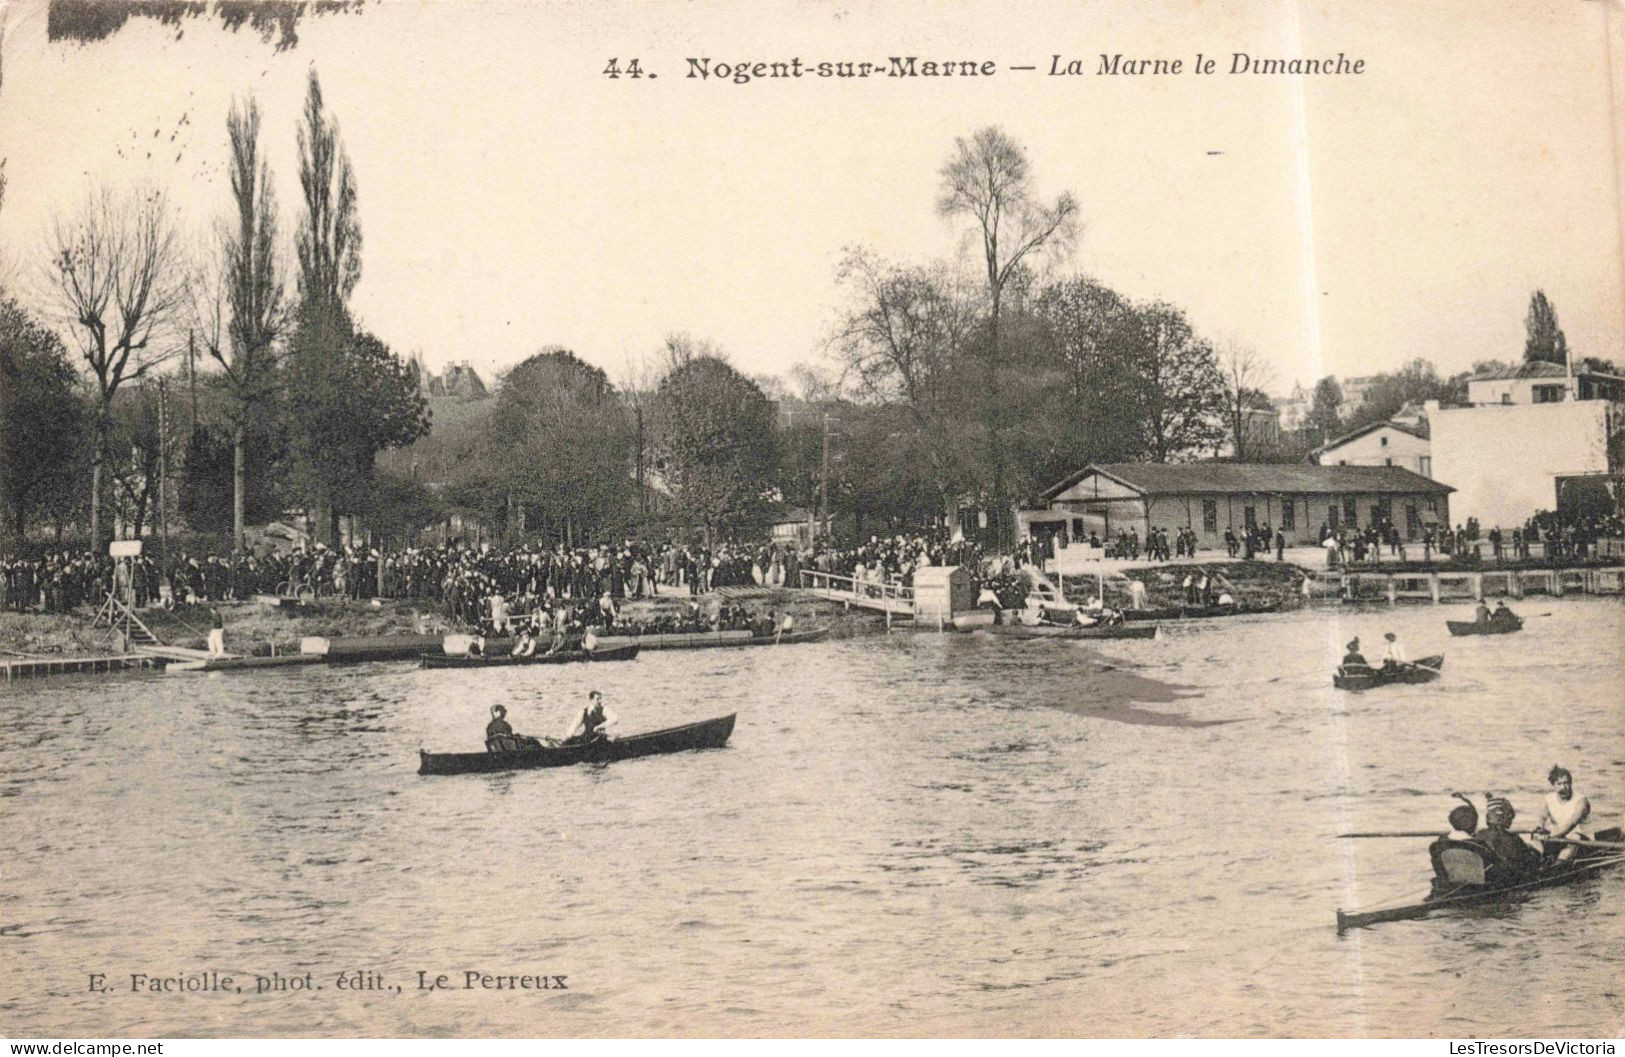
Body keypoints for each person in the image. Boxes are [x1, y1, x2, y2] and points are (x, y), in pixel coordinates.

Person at [1474, 795, 1544, 882]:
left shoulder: (1479, 835)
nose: (1512, 818)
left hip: (1488, 876)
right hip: (1508, 878)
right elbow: (1531, 862)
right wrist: (1538, 849)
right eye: (1510, 815)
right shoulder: (1511, 839)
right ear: (1505, 817)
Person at [1535, 765, 1591, 862]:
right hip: (1558, 838)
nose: (1563, 787)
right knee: (1535, 835)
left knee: (1574, 837)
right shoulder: (1547, 799)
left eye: (1566, 783)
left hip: (1581, 841)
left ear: (1571, 783)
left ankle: (1559, 864)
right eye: (1559, 784)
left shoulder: (1581, 801)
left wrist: (1551, 836)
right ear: (1553, 785)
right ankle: (1539, 859)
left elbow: (1571, 824)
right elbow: (1540, 818)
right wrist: (1538, 829)